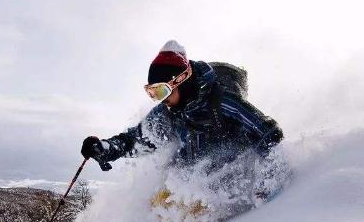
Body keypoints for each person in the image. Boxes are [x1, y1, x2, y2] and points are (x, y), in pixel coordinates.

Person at [81, 40, 283, 172]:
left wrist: (267, 181)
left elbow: (269, 133)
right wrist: (108, 148)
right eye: (152, 93)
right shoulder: (168, 112)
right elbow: (138, 139)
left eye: (161, 91)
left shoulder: (222, 102)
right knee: (163, 203)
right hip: (192, 176)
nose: (160, 99)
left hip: (231, 173)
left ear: (182, 81)